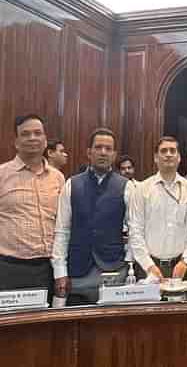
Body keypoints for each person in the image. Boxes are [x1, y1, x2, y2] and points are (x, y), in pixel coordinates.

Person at [51, 128, 133, 303]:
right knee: (76, 328)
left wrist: (129, 267)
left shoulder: (127, 186)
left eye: (108, 149)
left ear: (114, 154)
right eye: (98, 147)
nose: (103, 152)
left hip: (114, 271)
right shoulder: (71, 184)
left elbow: (135, 232)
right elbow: (62, 231)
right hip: (78, 272)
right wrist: (59, 271)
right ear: (89, 152)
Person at [0, 114, 65, 296]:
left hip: (49, 268)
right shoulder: (2, 175)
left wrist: (61, 270)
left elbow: (63, 224)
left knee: (47, 324)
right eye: (25, 134)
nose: (32, 138)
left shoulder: (57, 178)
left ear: (45, 141)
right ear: (16, 142)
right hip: (9, 268)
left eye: (38, 133)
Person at [128, 136, 187, 280]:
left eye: (172, 151)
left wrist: (184, 261)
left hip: (181, 267)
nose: (168, 154)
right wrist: (149, 266)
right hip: (148, 268)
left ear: (179, 157)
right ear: (156, 157)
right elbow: (135, 231)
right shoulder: (142, 189)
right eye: (163, 151)